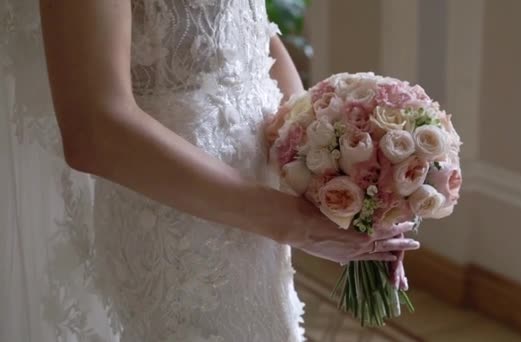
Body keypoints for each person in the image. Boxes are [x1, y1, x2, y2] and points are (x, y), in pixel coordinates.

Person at [1, 0, 419, 341]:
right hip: (177, 223)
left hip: (259, 209)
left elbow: (251, 29)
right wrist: (289, 221)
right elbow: (94, 129)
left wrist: (330, 162)